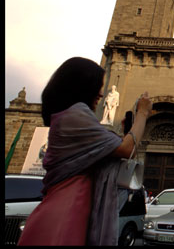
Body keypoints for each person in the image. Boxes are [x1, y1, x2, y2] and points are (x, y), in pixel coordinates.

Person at [18, 57, 152, 246]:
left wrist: (125, 133)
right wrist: (143, 113)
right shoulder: (75, 115)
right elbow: (126, 149)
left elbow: (121, 151)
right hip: (65, 213)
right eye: (98, 85)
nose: (101, 93)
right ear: (81, 86)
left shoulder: (69, 117)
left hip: (74, 209)